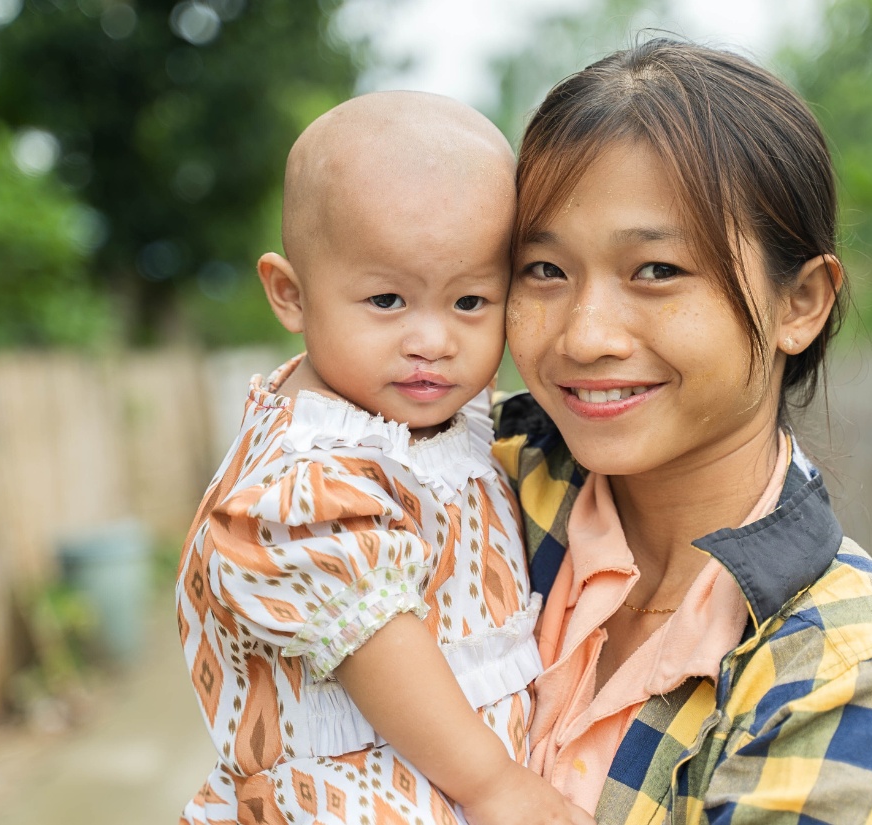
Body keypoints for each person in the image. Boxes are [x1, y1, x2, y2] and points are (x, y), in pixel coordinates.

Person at [493, 40, 872, 823]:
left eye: (656, 271)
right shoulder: (468, 487)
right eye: (544, 270)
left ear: (801, 302)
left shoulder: (858, 680)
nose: (584, 335)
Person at [176, 91, 591, 825]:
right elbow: (381, 647)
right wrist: (496, 785)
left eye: (469, 302)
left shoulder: (424, 409)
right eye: (388, 300)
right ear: (291, 294)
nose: (431, 339)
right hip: (355, 799)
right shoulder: (309, 481)